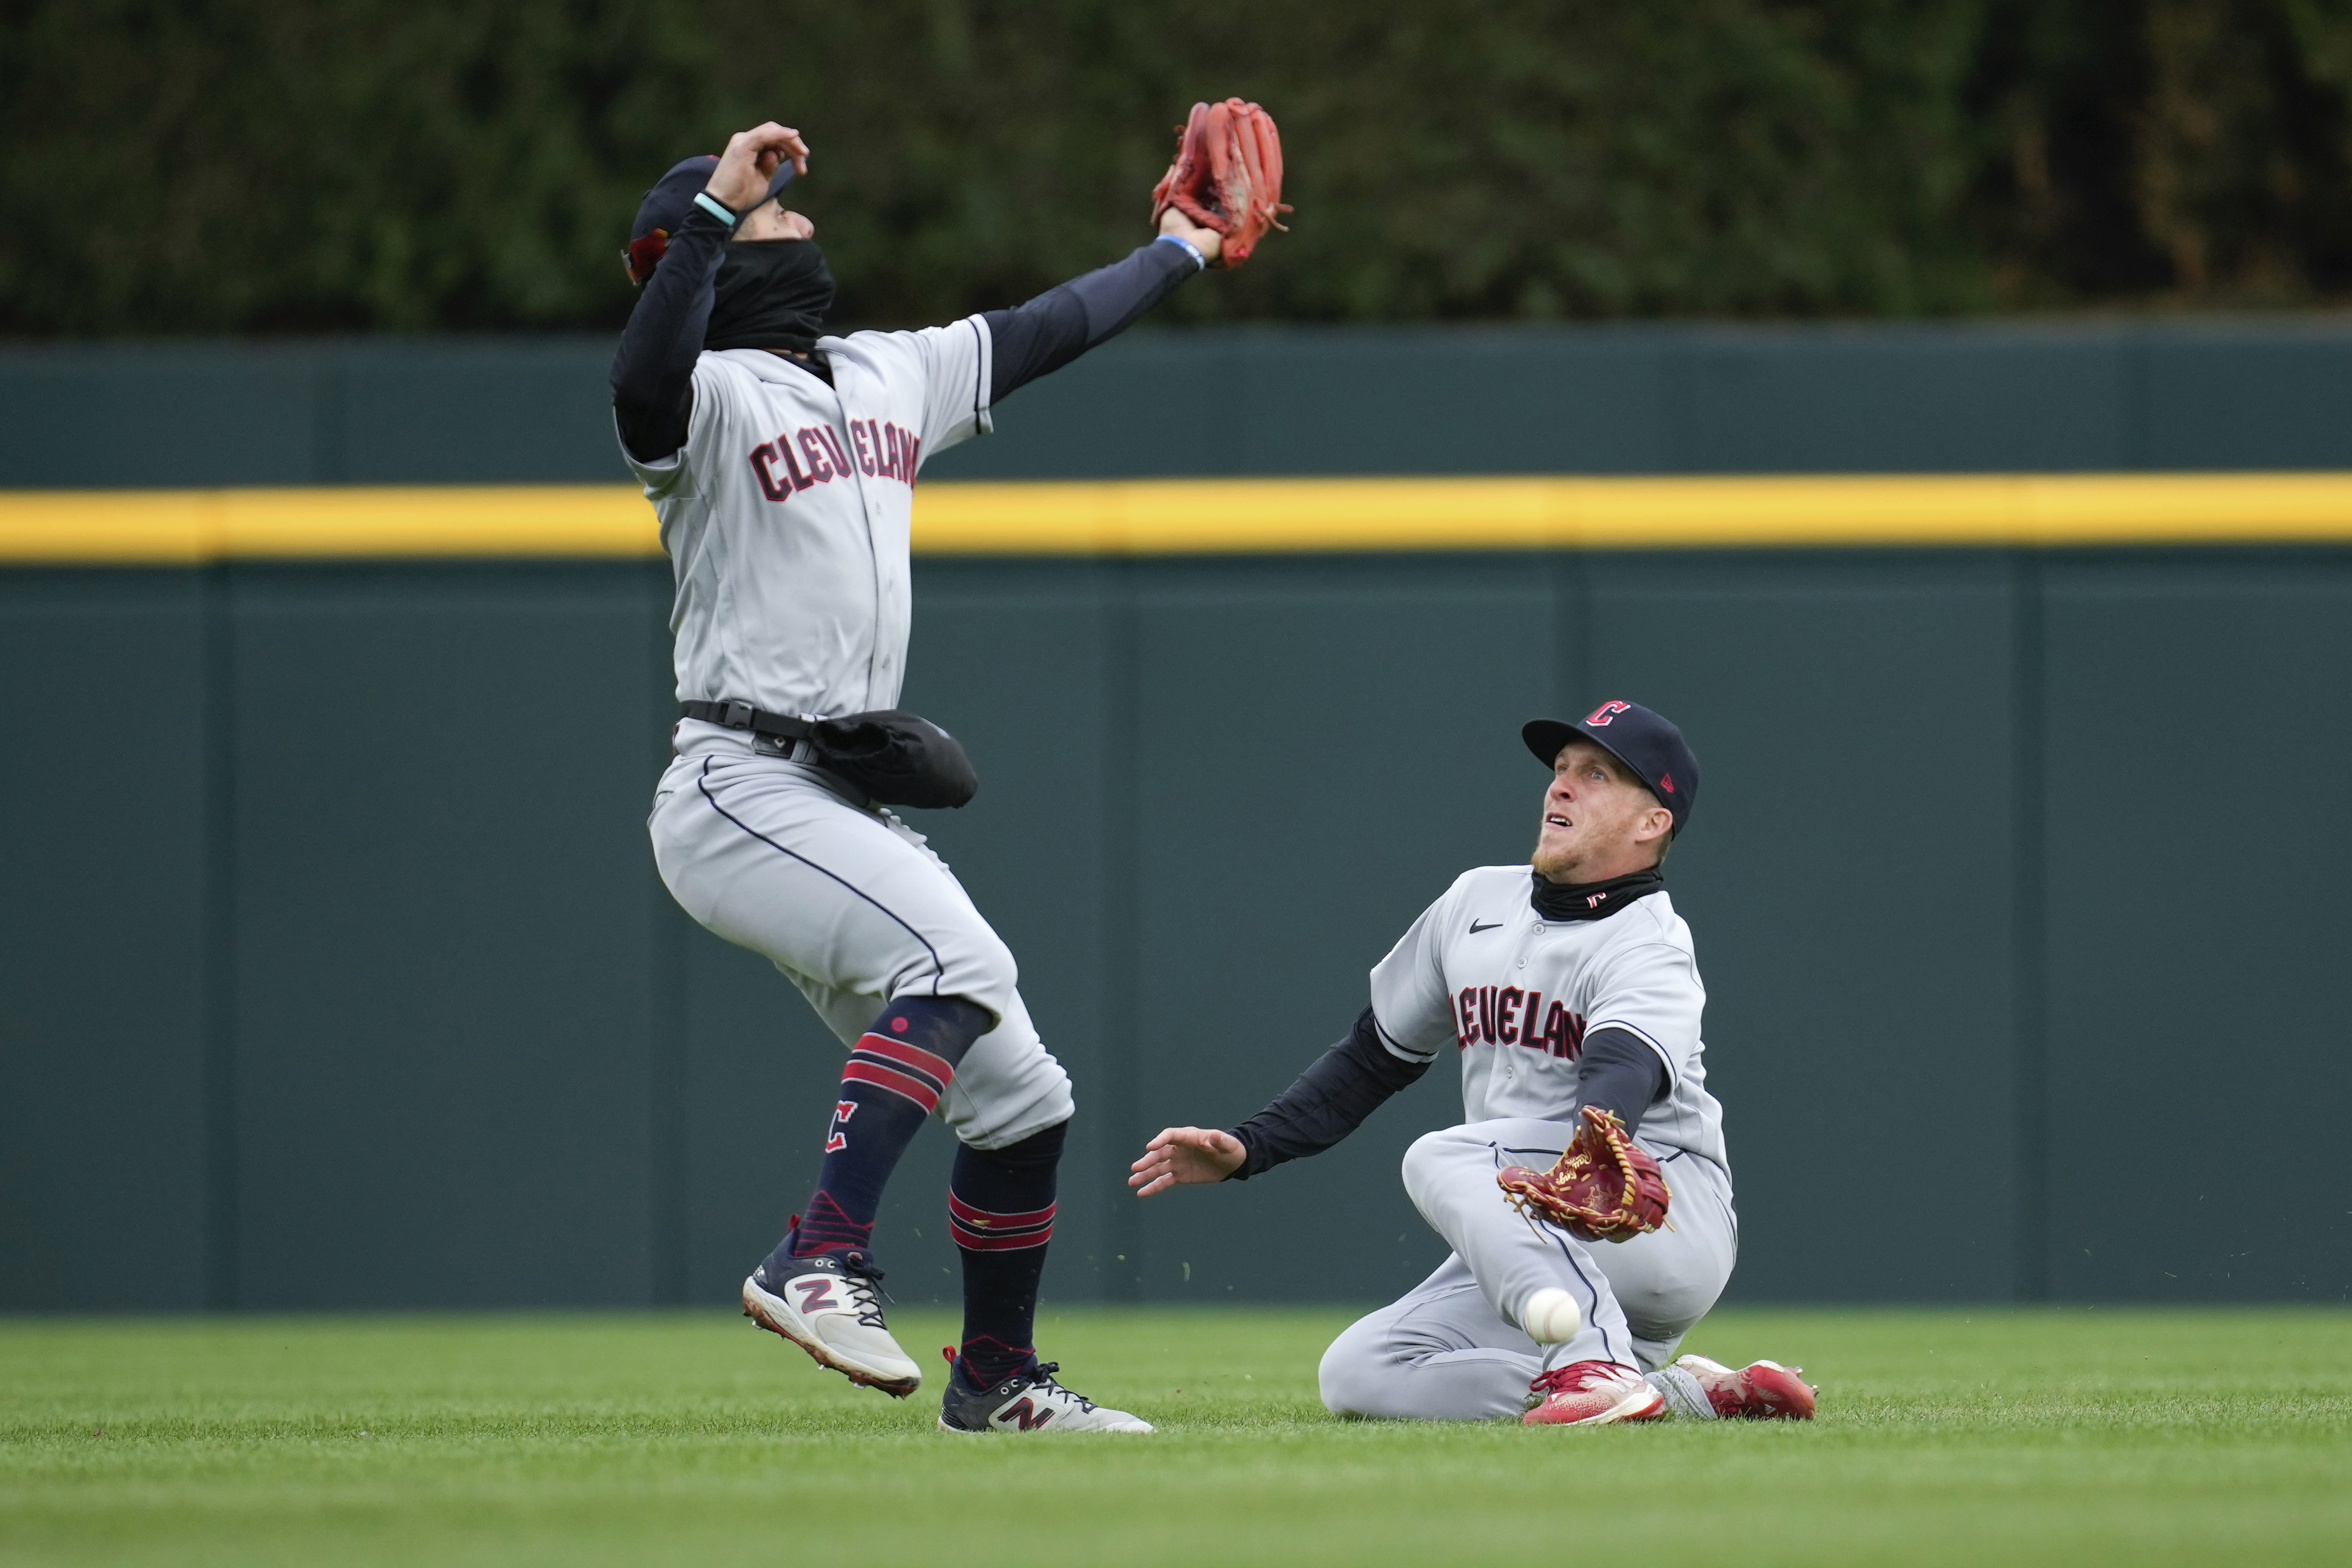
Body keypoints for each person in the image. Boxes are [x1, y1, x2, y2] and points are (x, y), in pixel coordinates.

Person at [615, 119, 1231, 1435]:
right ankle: (814, 1255)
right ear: (704, 253)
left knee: (1023, 1099)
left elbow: (1049, 325)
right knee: (951, 967)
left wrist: (1182, 246)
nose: (799, 224)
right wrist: (715, 212)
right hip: (736, 782)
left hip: (836, 796)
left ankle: (995, 1380)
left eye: (783, 209)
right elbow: (639, 382)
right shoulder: (707, 398)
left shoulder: (886, 375)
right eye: (768, 219)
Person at [1128, 702, 1814, 1425]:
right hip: (1533, 1224)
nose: (1561, 786)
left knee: (1441, 1157)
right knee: (1361, 1372)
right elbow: (1375, 1055)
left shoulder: (1649, 941)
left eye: (1596, 774)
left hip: (1657, 1216)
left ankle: (1595, 1360)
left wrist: (1599, 1137)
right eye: (1559, 770)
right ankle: (1682, 1395)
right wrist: (1251, 1145)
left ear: (1652, 823)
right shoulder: (1474, 902)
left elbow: (1623, 1061)